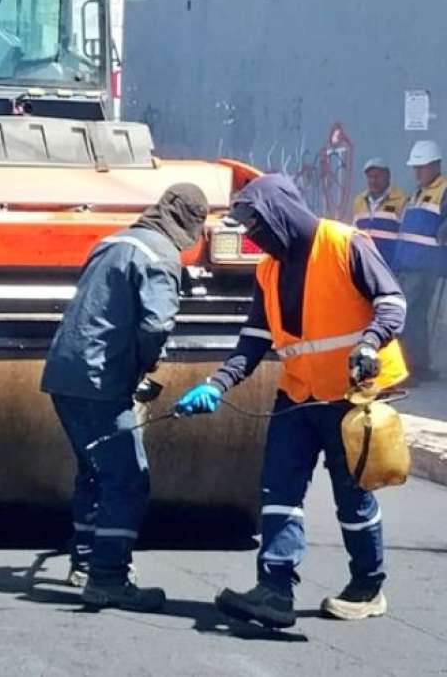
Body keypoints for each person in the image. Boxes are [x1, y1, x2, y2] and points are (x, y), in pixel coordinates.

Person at [176, 174, 407, 629]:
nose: (254, 236)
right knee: (278, 489)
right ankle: (274, 589)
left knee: (353, 496)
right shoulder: (268, 269)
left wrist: (369, 344)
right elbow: (254, 340)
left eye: (257, 225)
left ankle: (367, 586)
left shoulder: (345, 244)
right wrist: (216, 384)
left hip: (351, 396)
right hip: (298, 395)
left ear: (281, 213)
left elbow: (392, 303)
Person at [41, 183, 210, 612]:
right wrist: (144, 364)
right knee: (127, 478)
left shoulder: (112, 241)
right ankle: (108, 578)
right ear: (190, 221)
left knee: (93, 470)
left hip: (64, 372)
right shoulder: (161, 256)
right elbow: (156, 324)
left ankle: (83, 563)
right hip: (101, 381)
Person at [391, 139, 447, 385]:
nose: (417, 172)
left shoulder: (444, 189)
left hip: (425, 266)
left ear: (436, 165)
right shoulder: (416, 193)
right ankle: (421, 366)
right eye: (415, 167)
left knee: (406, 315)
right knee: (416, 317)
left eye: (421, 167)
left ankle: (406, 369)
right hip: (408, 263)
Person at [351, 157, 403, 268]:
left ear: (388, 176)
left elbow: (405, 239)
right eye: (370, 177)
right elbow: (354, 235)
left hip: (389, 267)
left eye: (377, 176)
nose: (373, 181)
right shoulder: (359, 201)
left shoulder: (401, 200)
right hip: (364, 265)